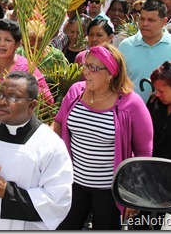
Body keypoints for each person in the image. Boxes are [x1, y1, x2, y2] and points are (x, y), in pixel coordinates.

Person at [0, 71, 72, 230]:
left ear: (32, 105)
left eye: (13, 97)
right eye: (1, 95)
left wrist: (7, 193)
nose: (2, 102)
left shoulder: (49, 144)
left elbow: (58, 200)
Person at [53, 44, 153, 229]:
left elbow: (143, 152)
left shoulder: (132, 104)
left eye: (94, 68)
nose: (86, 72)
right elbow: (58, 123)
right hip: (72, 184)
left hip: (108, 191)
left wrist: (133, 192)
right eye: (86, 65)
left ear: (110, 74)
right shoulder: (76, 92)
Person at [118, 0, 171, 103]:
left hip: (167, 115)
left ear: (164, 21)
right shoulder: (125, 46)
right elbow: (117, 80)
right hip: (131, 112)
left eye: (151, 20)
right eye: (142, 19)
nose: (145, 24)